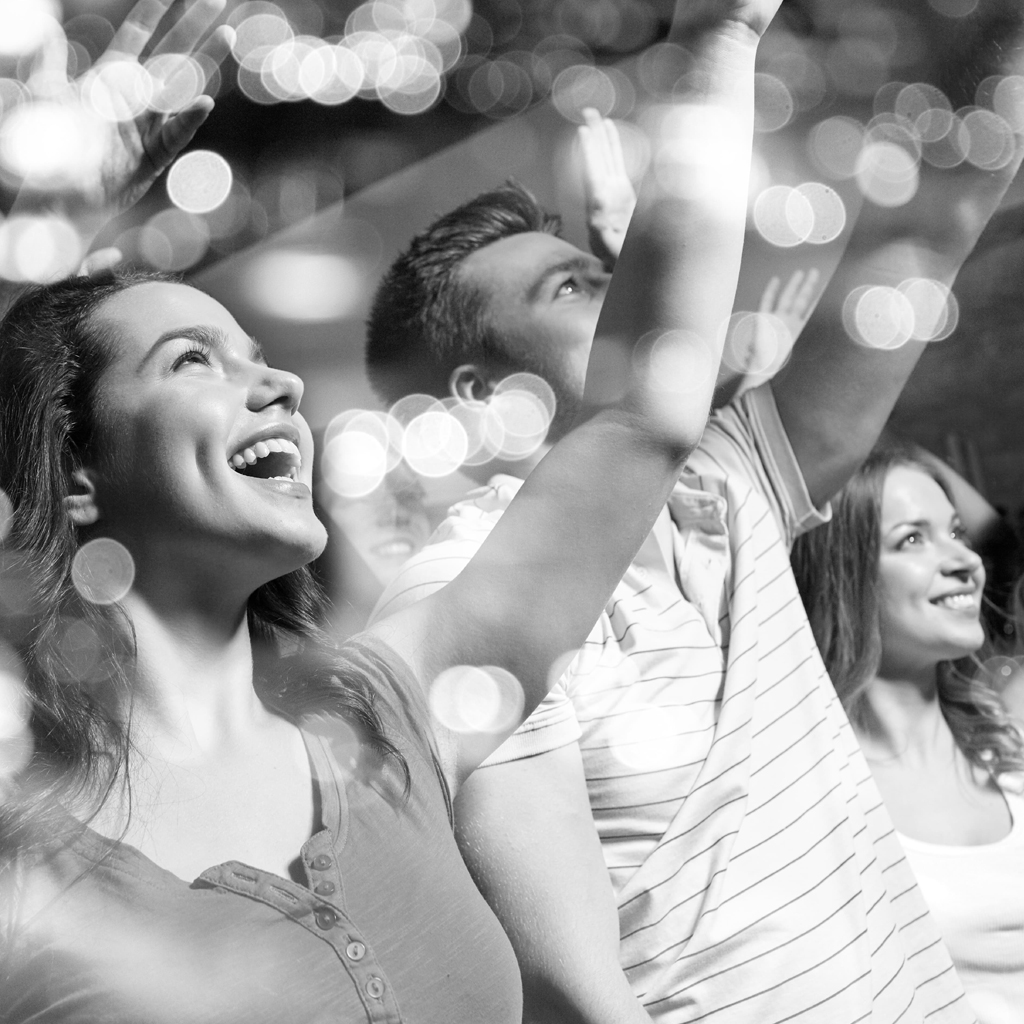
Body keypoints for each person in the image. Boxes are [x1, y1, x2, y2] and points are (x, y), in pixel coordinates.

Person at [0, 0, 779, 1018]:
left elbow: (641, 416)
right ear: (75, 472)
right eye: (192, 360)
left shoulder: (383, 709)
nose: (275, 384)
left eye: (259, 356)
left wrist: (722, 41)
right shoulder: (27, 861)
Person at [366, 4, 1024, 1021]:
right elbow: (566, 989)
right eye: (578, 285)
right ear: (474, 398)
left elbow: (933, 217)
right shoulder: (459, 596)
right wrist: (716, 34)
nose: (633, 289)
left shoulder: (729, 484)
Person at [790, 442, 1024, 1024]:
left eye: (955, 533)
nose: (964, 561)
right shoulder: (815, 790)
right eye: (913, 539)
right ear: (842, 570)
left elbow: (1000, 545)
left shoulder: (1011, 732)